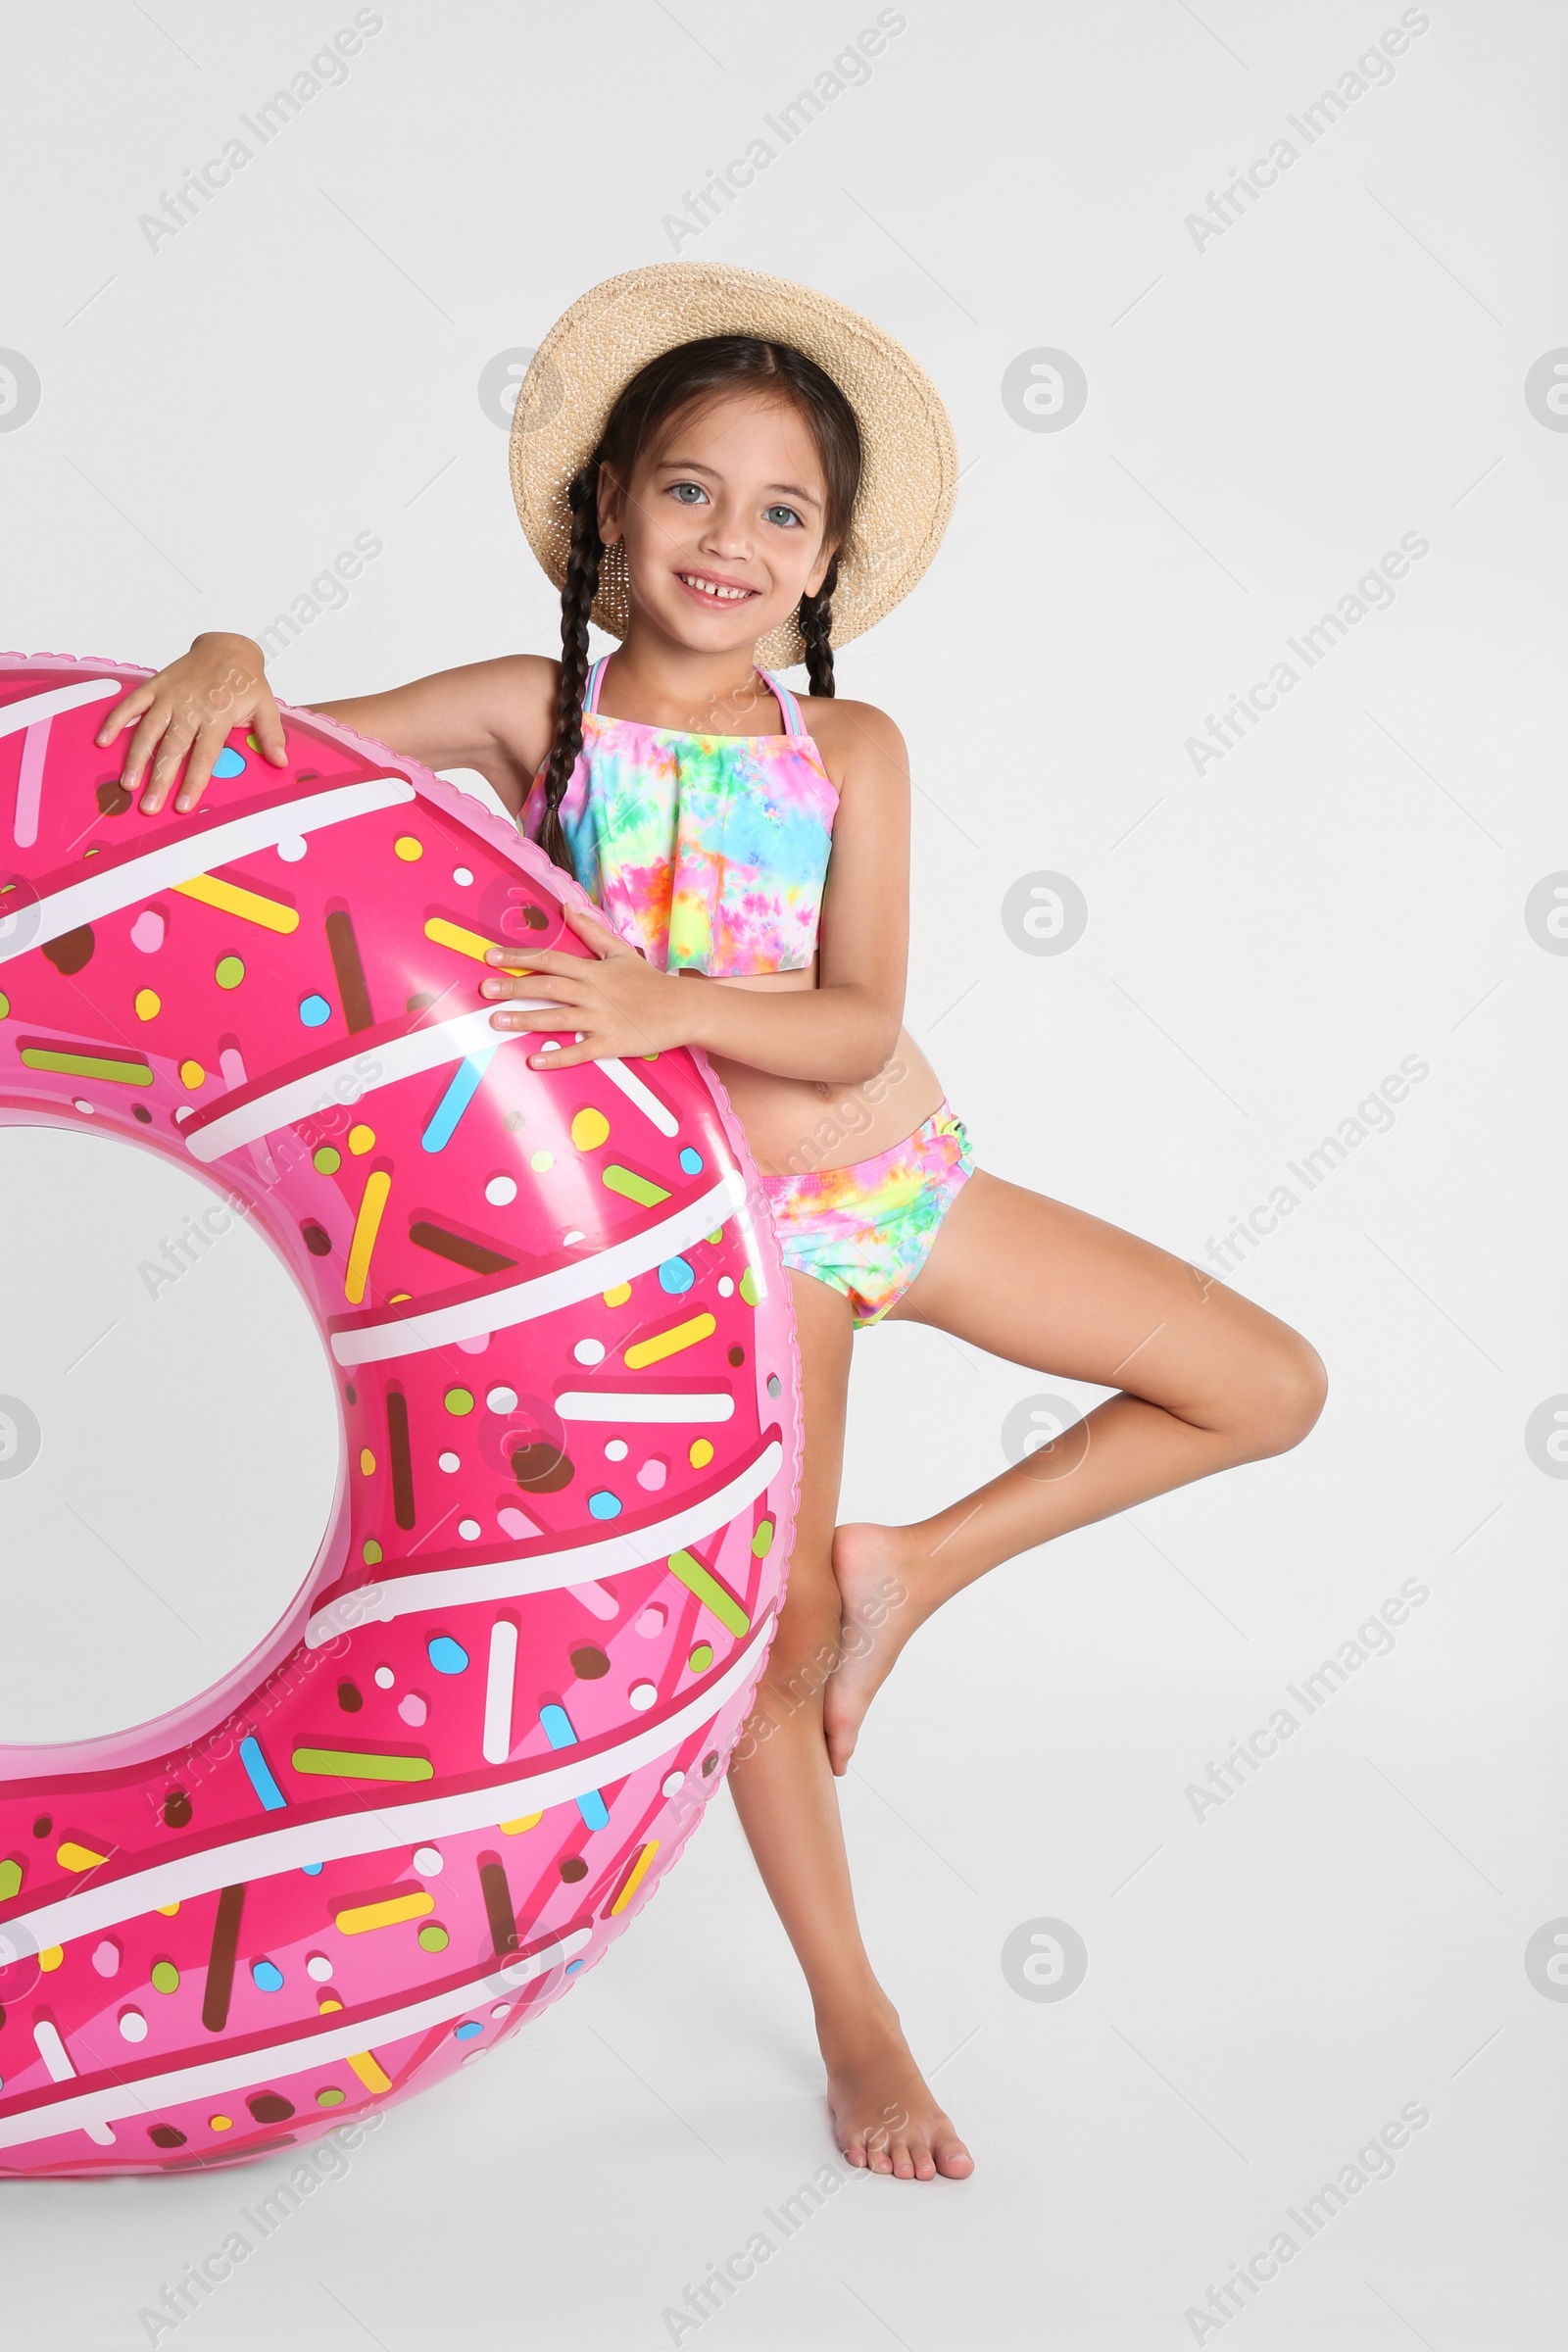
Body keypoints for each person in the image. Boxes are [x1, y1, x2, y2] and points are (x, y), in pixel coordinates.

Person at [92, 263, 1326, 2183]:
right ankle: (859, 2019)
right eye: (686, 489)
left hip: (888, 1179)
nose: (725, 538)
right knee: (770, 1646)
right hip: (720, 1255)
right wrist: (229, 642)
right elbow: (280, 769)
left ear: (823, 558)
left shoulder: (849, 752)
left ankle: (919, 1559)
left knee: (1262, 1382)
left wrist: (664, 1004)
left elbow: (852, 1015)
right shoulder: (534, 714)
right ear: (607, 509)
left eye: (776, 510)